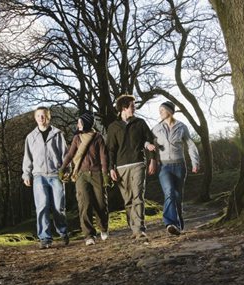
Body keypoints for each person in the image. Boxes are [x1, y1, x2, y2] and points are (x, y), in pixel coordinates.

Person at [107, 94, 157, 240]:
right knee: (128, 200)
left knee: (138, 196)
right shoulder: (113, 127)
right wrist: (111, 168)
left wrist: (152, 159)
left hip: (138, 164)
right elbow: (110, 149)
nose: (134, 108)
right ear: (124, 108)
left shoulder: (140, 123)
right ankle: (133, 228)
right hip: (121, 167)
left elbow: (149, 141)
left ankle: (139, 229)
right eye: (132, 106)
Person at [59, 112, 110, 246]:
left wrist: (105, 175)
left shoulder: (98, 137)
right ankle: (89, 235)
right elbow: (70, 155)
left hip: (97, 173)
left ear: (87, 123)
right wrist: (63, 168)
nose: (78, 125)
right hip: (81, 174)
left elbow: (104, 157)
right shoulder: (77, 138)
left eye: (80, 122)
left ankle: (103, 228)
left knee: (101, 203)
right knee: (84, 204)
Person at [22, 106, 69, 249]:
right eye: (38, 116)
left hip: (56, 175)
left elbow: (65, 154)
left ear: (48, 117)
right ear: (35, 118)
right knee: (42, 207)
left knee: (58, 207)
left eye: (43, 116)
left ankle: (63, 232)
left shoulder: (57, 134)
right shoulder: (30, 137)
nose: (41, 118)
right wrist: (26, 174)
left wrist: (67, 170)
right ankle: (45, 238)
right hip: (39, 176)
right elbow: (27, 157)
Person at [152, 101, 200, 235]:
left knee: (177, 197)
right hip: (164, 167)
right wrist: (148, 147)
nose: (160, 112)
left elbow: (190, 145)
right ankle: (170, 223)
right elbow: (147, 141)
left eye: (162, 110)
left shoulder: (181, 127)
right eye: (159, 110)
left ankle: (178, 224)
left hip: (179, 165)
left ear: (170, 111)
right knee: (169, 193)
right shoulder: (156, 128)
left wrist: (195, 162)